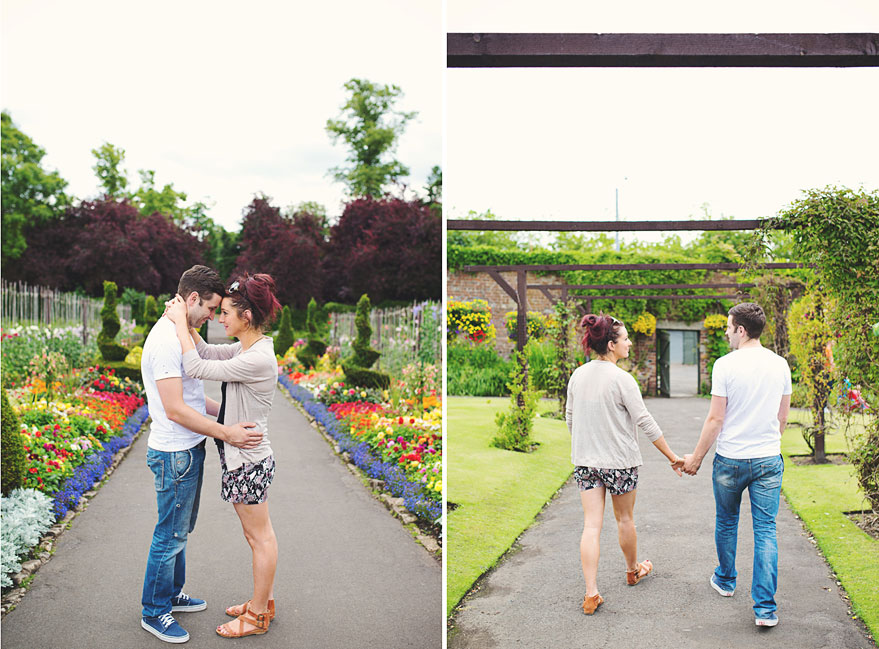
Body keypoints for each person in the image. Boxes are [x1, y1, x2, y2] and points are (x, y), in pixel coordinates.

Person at [140, 265, 263, 644]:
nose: (212, 316)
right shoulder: (165, 341)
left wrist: (222, 415)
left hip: (189, 449)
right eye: (210, 308)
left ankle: (171, 594)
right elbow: (176, 409)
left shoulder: (181, 334)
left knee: (181, 530)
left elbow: (193, 398)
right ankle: (154, 611)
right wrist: (226, 432)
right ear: (192, 299)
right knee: (170, 534)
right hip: (175, 453)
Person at [165, 272, 281, 639]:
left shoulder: (257, 358)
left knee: (259, 537)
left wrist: (178, 324)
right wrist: (186, 322)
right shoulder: (248, 348)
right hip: (242, 457)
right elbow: (208, 352)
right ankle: (263, 602)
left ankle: (258, 614)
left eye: (226, 312)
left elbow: (196, 367)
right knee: (255, 536)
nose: (220, 318)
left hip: (248, 460)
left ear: (246, 317)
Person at [682, 302, 791, 628]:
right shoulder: (781, 364)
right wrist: (768, 443)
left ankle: (727, 581)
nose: (727, 332)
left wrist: (696, 458)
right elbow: (782, 417)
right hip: (768, 459)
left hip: (730, 459)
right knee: (766, 531)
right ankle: (765, 610)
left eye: (730, 327)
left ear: (741, 329)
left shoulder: (725, 365)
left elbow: (716, 418)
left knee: (728, 522)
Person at [566, 314, 683, 615]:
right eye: (626, 339)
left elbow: (570, 419)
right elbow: (644, 421)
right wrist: (672, 457)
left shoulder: (578, 376)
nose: (630, 343)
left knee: (591, 525)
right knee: (625, 520)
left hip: (586, 462)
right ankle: (632, 571)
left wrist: (586, 444)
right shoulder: (622, 379)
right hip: (619, 463)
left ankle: (591, 594)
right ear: (611, 344)